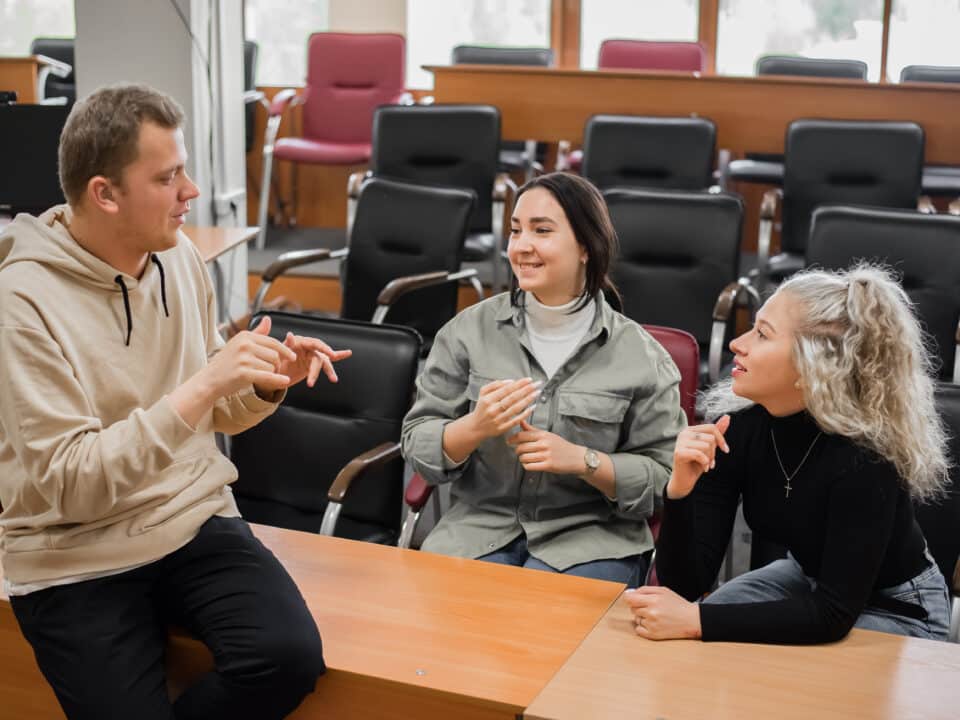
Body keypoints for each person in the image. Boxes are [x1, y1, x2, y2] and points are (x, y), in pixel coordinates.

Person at [0, 84, 351, 719]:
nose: (190, 191)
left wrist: (263, 381)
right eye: (168, 177)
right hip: (74, 552)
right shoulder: (21, 303)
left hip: (190, 518)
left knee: (288, 657)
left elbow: (213, 404)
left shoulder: (178, 256)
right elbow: (73, 486)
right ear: (105, 193)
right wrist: (205, 386)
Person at [625, 265, 952, 644]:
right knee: (691, 638)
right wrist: (679, 489)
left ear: (812, 364)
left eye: (762, 334)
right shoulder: (737, 426)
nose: (737, 344)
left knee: (748, 661)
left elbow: (832, 614)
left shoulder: (864, 457)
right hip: (808, 582)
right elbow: (685, 586)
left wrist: (697, 620)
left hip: (901, 608)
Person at [401, 172, 686, 586]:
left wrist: (585, 462)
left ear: (587, 246)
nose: (521, 246)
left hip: (590, 542)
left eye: (542, 231)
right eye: (516, 231)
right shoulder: (467, 332)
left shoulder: (640, 356)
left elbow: (666, 481)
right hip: (478, 533)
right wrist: (473, 427)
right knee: (446, 626)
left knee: (540, 628)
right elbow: (417, 440)